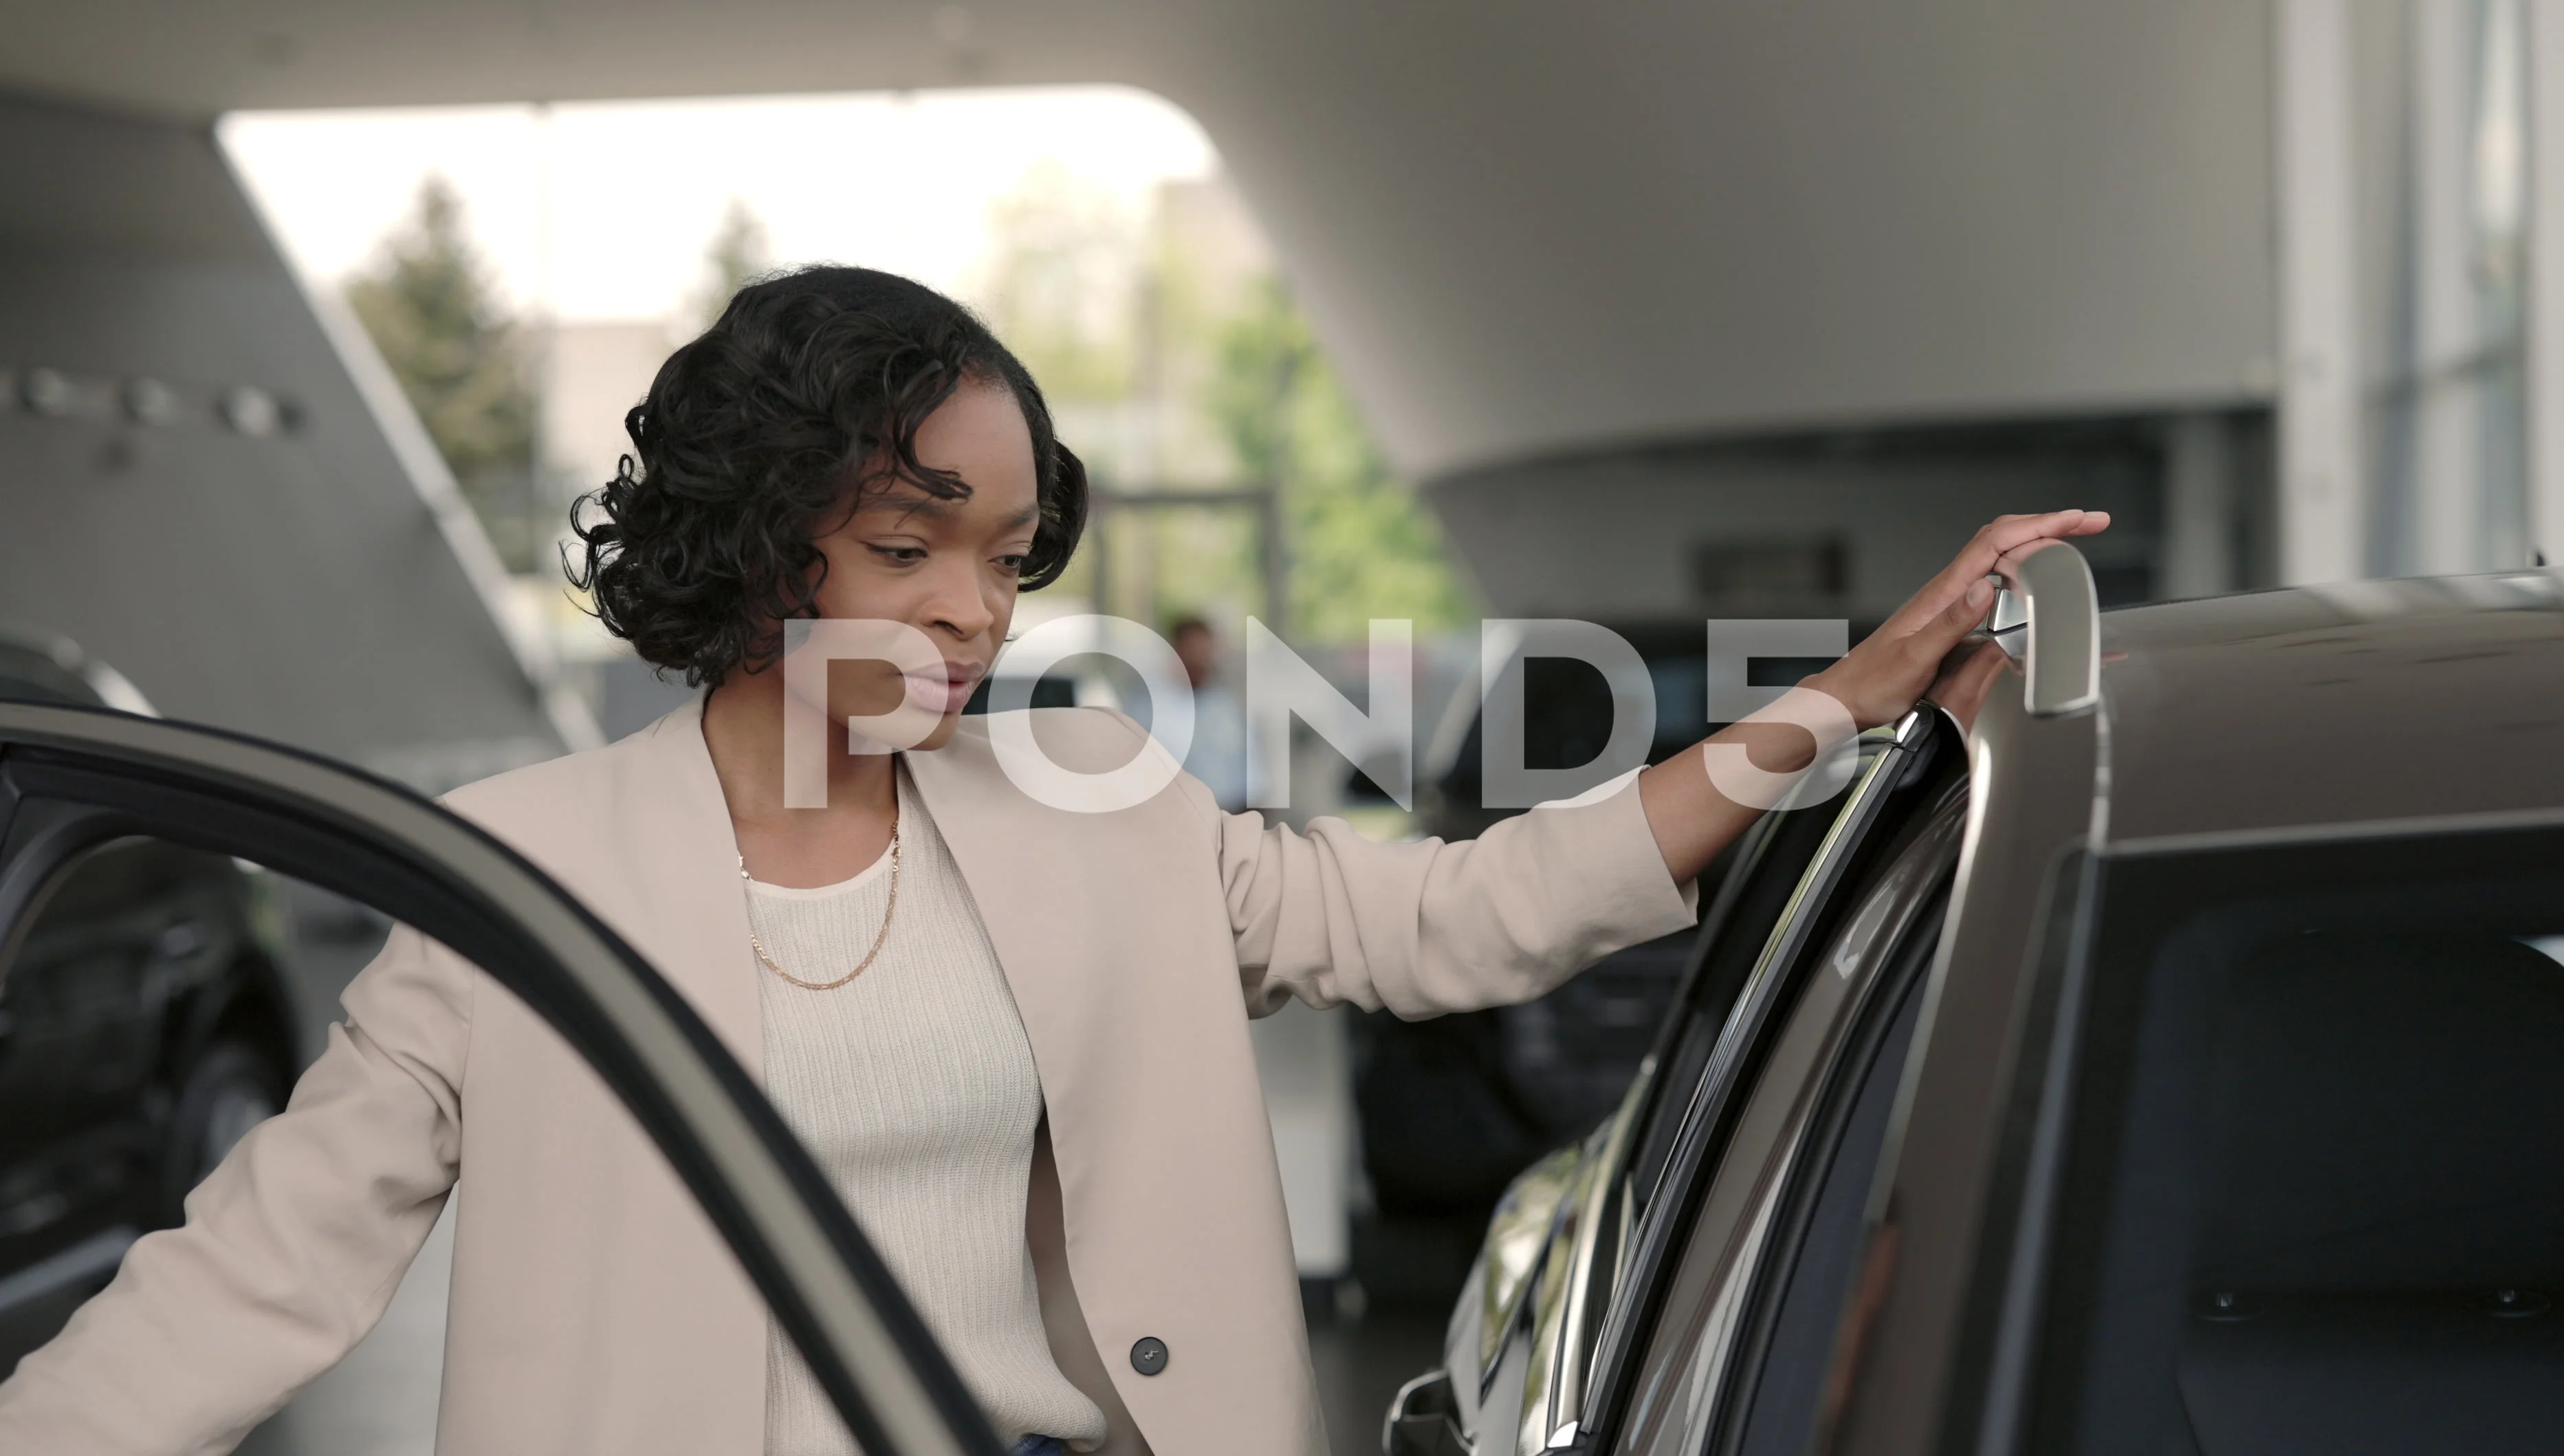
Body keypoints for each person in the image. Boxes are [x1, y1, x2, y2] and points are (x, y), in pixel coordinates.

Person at [0, 267, 2103, 1456]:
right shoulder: (514, 874)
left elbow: (1475, 918)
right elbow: (252, 1272)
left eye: (1002, 561)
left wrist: (1850, 694)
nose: (971, 612)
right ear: (757, 539)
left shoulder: (1105, 811)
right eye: (907, 549)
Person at [1166, 615, 1246, 810]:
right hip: (1171, 813)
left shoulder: (1227, 705)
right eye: (1192, 651)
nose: (1199, 660)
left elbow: (1249, 771)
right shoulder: (1148, 705)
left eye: (1205, 652)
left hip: (1225, 812)